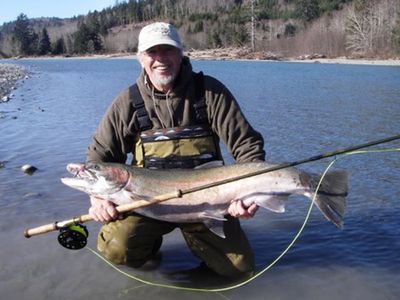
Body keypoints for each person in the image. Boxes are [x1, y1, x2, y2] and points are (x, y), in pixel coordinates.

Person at [86, 22, 265, 279]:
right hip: (146, 205)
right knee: (118, 249)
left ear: (181, 54)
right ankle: (149, 249)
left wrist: (249, 193)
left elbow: (247, 146)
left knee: (239, 270)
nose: (161, 59)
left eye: (168, 51)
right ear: (140, 59)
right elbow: (99, 158)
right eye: (152, 52)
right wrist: (98, 198)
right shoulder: (127, 102)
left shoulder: (210, 92)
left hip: (207, 205)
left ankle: (203, 249)